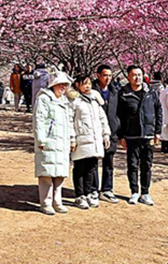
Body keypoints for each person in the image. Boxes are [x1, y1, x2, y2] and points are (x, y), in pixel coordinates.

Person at [117, 65, 162, 206]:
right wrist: (121, 135)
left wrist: (157, 131)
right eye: (134, 75)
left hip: (148, 134)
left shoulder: (151, 93)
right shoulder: (123, 93)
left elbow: (158, 111)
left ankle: (145, 192)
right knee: (132, 165)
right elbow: (119, 116)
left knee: (147, 165)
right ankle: (134, 192)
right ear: (128, 77)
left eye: (140, 75)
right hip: (131, 135)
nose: (137, 78)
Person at [33, 72, 75, 216]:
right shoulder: (44, 98)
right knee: (46, 173)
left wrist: (72, 138)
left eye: (65, 84)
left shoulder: (64, 100)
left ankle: (57, 201)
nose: (63, 87)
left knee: (60, 174)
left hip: (62, 141)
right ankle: (46, 203)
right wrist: (41, 140)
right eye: (60, 84)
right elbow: (39, 120)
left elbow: (69, 121)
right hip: (49, 141)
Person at [69, 75, 111, 209]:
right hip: (81, 139)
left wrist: (106, 134)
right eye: (84, 84)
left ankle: (88, 193)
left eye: (89, 84)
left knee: (91, 169)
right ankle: (79, 195)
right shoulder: (74, 101)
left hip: (94, 140)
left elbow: (102, 118)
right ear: (77, 85)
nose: (87, 86)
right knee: (80, 168)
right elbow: (69, 121)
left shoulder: (94, 100)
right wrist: (72, 138)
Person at [94, 65, 121, 203]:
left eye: (110, 75)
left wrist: (118, 128)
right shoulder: (91, 90)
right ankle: (93, 189)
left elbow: (119, 111)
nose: (108, 78)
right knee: (92, 162)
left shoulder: (115, 91)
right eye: (105, 75)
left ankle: (106, 189)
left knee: (109, 162)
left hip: (111, 131)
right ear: (98, 75)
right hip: (94, 132)